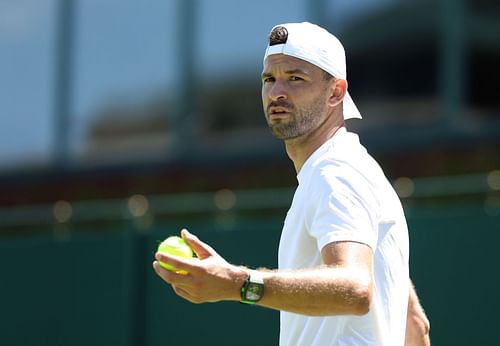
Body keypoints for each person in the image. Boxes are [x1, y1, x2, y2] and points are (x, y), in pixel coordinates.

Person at [153, 22, 430, 345]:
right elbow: (415, 325)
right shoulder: (355, 169)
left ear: (335, 92)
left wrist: (237, 283)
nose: (277, 92)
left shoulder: (335, 171)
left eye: (295, 78)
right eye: (269, 79)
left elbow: (355, 288)